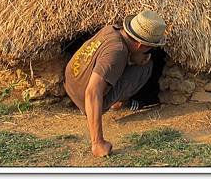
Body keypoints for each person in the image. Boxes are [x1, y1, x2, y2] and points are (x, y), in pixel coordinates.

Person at [63, 10, 167, 157]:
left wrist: (133, 58)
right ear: (139, 45)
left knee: (129, 65)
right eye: (150, 47)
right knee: (145, 67)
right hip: (84, 98)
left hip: (72, 85)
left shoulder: (110, 30)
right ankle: (115, 103)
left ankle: (109, 102)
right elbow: (92, 92)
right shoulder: (117, 52)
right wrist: (97, 142)